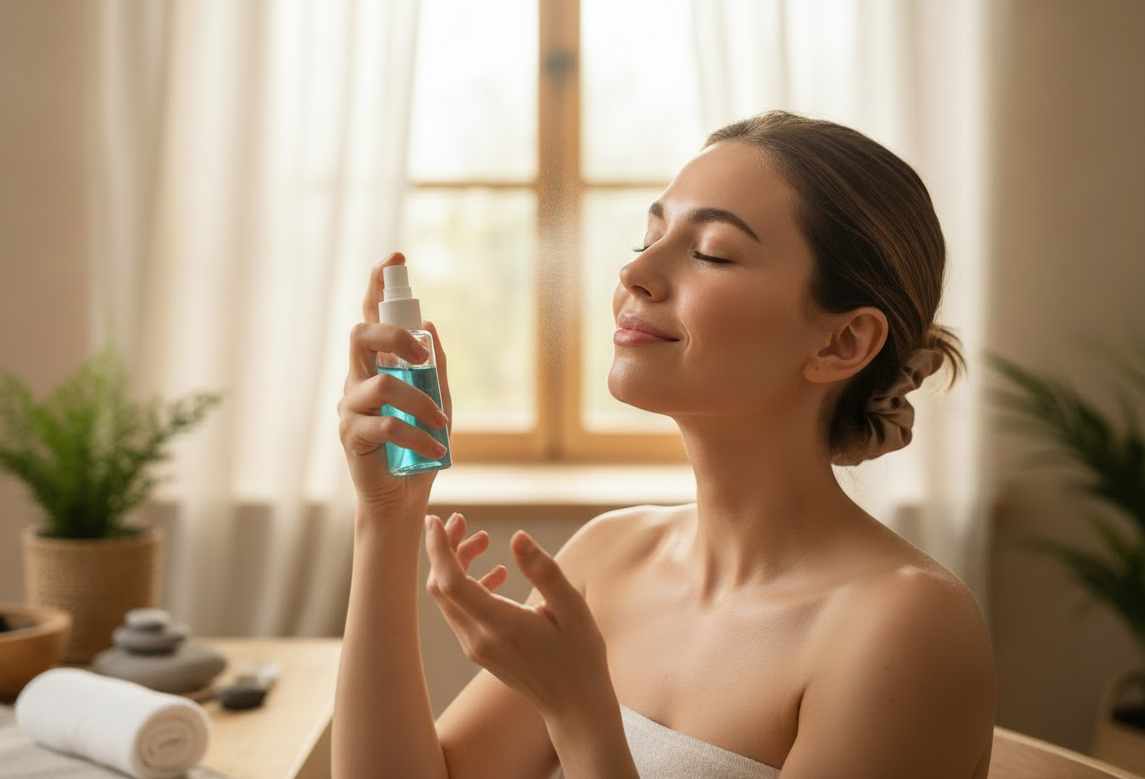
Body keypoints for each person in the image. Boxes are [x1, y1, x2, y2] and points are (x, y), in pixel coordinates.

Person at [334, 110, 997, 779]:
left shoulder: (904, 627)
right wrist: (387, 515)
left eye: (710, 251)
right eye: (646, 238)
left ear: (841, 342)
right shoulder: (612, 556)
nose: (638, 274)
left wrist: (578, 713)